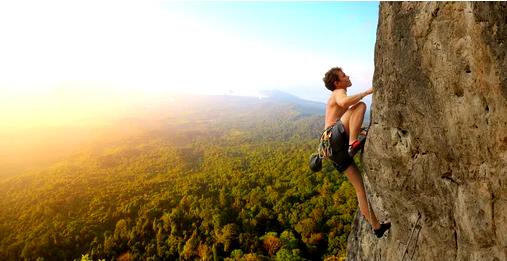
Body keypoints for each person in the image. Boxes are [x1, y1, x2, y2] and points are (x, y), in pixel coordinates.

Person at [321, 66, 390, 238]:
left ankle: (377, 227)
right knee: (359, 106)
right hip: (334, 138)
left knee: (360, 190)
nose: (348, 76)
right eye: (344, 75)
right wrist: (366, 92)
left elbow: (344, 115)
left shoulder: (337, 93)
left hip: (331, 149)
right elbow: (345, 103)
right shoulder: (339, 92)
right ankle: (353, 143)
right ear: (337, 82)